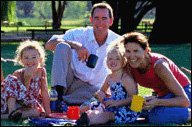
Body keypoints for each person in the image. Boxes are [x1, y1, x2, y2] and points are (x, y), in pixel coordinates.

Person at [45, 3, 120, 106]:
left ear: (111, 21)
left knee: (95, 97)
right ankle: (58, 95)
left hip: (92, 88)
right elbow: (49, 45)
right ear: (91, 20)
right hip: (69, 81)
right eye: (96, 18)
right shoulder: (78, 34)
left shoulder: (117, 41)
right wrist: (75, 45)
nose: (100, 22)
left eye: (104, 18)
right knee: (62, 46)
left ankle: (61, 102)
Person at [121, 32, 191, 125]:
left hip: (183, 94)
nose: (131, 56)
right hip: (162, 96)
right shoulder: (130, 66)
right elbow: (134, 96)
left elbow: (184, 101)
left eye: (136, 51)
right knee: (133, 110)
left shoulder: (159, 65)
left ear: (146, 51)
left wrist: (157, 102)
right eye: (128, 51)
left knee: (156, 117)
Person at [76, 44, 140, 125]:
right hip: (113, 105)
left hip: (128, 109)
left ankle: (88, 121)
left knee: (108, 115)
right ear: (106, 61)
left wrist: (117, 103)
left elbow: (135, 98)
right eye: (110, 59)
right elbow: (102, 91)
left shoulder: (126, 79)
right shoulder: (109, 77)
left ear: (123, 61)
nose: (113, 61)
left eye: (117, 58)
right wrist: (102, 95)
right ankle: (77, 115)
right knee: (92, 106)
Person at [1, 40, 51, 122]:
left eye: (34, 57)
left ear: (40, 59)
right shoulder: (19, 73)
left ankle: (6, 116)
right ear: (21, 60)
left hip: (31, 105)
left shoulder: (41, 71)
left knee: (37, 112)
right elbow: (22, 96)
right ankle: (12, 112)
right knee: (11, 79)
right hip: (17, 103)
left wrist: (48, 113)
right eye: (26, 58)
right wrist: (27, 78)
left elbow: (44, 92)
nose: (30, 61)